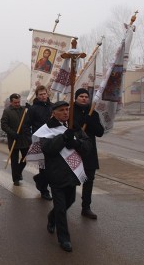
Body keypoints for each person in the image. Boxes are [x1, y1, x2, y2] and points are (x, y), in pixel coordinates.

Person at [32, 100, 92, 252]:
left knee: (70, 200)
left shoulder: (74, 126)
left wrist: (76, 144)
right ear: (54, 113)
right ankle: (64, 239)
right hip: (55, 173)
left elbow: (87, 145)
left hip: (72, 173)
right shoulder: (46, 130)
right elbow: (48, 149)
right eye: (62, 110)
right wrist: (64, 138)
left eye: (67, 109)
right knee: (60, 207)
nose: (66, 112)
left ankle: (52, 218)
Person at [73, 88, 105, 219]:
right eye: (81, 96)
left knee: (89, 180)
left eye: (86, 96)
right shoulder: (69, 112)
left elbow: (100, 132)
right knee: (70, 180)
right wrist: (80, 122)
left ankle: (86, 207)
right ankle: (63, 205)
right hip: (73, 151)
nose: (84, 98)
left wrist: (90, 120)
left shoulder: (93, 113)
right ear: (76, 98)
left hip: (89, 152)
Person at [1, 93, 31, 186]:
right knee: (14, 161)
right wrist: (13, 133)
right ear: (11, 102)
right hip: (13, 139)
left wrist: (30, 108)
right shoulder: (7, 111)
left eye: (18, 102)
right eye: (15, 102)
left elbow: (29, 119)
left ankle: (18, 172)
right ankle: (16, 179)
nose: (17, 104)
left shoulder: (24, 109)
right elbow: (4, 125)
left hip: (24, 139)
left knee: (25, 158)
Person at [28, 85, 52, 200]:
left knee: (52, 166)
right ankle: (44, 190)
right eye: (40, 94)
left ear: (47, 94)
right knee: (43, 167)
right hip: (39, 141)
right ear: (37, 96)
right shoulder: (33, 109)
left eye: (44, 94)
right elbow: (26, 125)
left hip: (52, 140)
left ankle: (39, 179)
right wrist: (30, 140)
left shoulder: (52, 107)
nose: (43, 96)